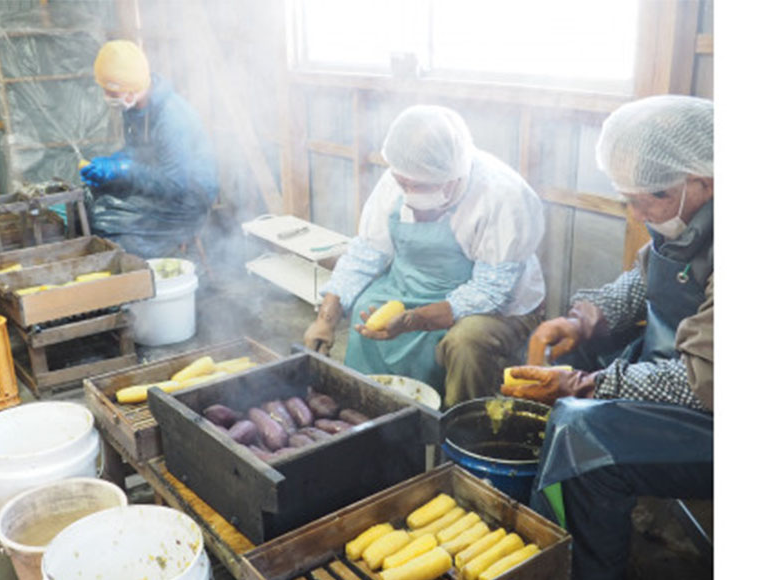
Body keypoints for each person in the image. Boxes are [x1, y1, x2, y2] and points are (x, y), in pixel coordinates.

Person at [501, 95, 713, 580]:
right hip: (674, 371)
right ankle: (576, 524)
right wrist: (581, 321)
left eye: (649, 198)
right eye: (627, 199)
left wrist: (586, 384)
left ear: (703, 179)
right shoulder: (689, 220)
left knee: (584, 440)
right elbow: (642, 283)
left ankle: (588, 566)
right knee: (581, 354)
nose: (637, 214)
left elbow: (702, 380)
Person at [303, 105, 546, 408]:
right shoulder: (398, 177)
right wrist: (325, 319)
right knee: (366, 307)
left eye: (419, 186)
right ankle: (370, 410)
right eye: (402, 183)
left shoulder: (502, 196)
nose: (407, 192)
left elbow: (491, 291)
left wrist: (414, 320)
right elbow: (365, 254)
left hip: (497, 306)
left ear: (452, 176)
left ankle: (457, 422)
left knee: (464, 342)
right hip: (411, 284)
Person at [80, 40, 218, 259]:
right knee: (92, 199)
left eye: (111, 93)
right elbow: (139, 150)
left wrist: (125, 169)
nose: (107, 98)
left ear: (129, 90)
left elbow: (174, 184)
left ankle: (150, 271)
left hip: (189, 199)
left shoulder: (171, 118)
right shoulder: (134, 107)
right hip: (158, 182)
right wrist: (116, 162)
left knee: (106, 224)